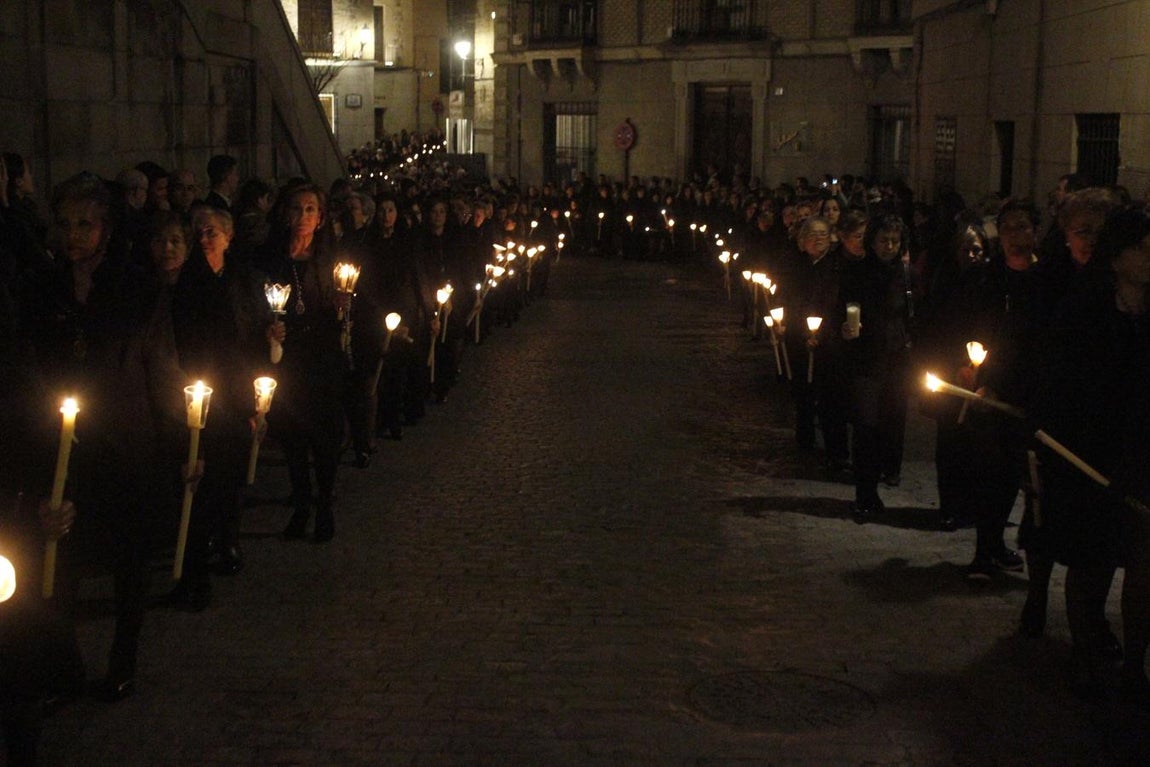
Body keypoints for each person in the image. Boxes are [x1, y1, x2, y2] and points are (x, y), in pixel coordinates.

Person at [18, 171, 186, 700]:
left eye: (85, 225)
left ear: (108, 230)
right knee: (55, 561)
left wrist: (180, 444)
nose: (74, 235)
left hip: (124, 443)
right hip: (61, 443)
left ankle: (122, 660)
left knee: (126, 560)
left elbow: (163, 370)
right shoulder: (42, 289)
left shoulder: (138, 290)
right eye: (65, 224)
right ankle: (61, 665)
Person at [1029, 205, 1150, 704]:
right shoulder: (1085, 306)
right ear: (1118, 257)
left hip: (1142, 454)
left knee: (1145, 565)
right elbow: (1063, 383)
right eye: (1145, 249)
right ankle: (1083, 653)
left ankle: (1135, 665)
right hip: (1089, 457)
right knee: (1093, 561)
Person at [169, 207, 272, 606]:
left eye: (212, 231)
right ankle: (193, 561)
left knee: (228, 477)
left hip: (233, 393)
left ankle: (227, 540)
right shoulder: (188, 280)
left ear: (228, 237)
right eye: (198, 232)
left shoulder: (242, 280)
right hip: (196, 393)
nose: (204, 238)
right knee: (197, 478)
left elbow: (254, 331)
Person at [258, 182, 346, 542]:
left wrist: (344, 308)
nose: (303, 217)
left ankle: (324, 504)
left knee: (324, 438)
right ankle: (301, 504)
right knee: (293, 436)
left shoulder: (330, 259)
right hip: (289, 360)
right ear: (284, 213)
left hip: (323, 357)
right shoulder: (269, 259)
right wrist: (267, 331)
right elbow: (253, 305)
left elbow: (347, 306)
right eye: (297, 209)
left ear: (321, 217)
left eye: (311, 209)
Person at [839, 214, 916, 522]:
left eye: (895, 241)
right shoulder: (857, 272)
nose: (889, 246)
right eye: (883, 240)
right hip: (867, 359)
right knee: (866, 427)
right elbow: (841, 310)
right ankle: (864, 493)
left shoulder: (907, 276)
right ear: (872, 241)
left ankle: (883, 478)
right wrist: (844, 329)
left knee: (889, 425)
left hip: (897, 360)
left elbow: (913, 315)